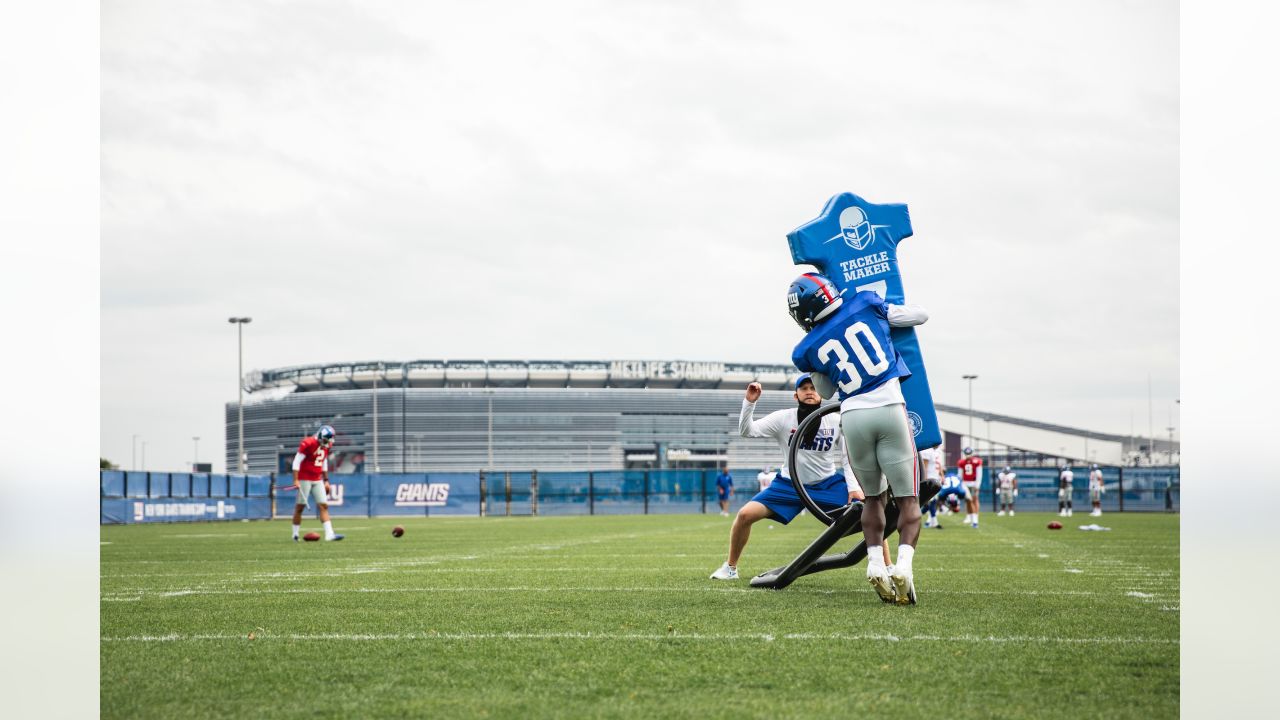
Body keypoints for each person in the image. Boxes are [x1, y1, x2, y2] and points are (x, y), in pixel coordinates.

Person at [788, 272, 929, 605]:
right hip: (890, 407)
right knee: (909, 500)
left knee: (872, 500)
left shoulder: (805, 348)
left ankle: (876, 564)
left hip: (852, 416)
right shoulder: (865, 302)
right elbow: (919, 315)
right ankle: (904, 567)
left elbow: (824, 390)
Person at [710, 374, 869, 581]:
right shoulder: (784, 418)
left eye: (813, 387)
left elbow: (847, 458)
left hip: (826, 484)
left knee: (868, 514)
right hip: (789, 484)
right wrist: (749, 402)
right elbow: (747, 431)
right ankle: (730, 568)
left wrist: (853, 487)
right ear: (796, 395)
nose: (810, 391)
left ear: (822, 394)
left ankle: (886, 566)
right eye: (804, 388)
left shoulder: (835, 419)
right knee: (744, 515)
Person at [291, 425, 344, 542]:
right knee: (300, 508)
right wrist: (296, 480)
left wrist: (326, 480)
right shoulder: (308, 443)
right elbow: (296, 461)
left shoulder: (327, 444)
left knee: (323, 505)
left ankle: (329, 534)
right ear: (320, 436)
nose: (328, 442)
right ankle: (295, 535)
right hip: (304, 478)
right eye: (326, 440)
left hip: (317, 478)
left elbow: (323, 461)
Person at [957, 447, 983, 528]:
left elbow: (979, 474)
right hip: (965, 484)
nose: (968, 455)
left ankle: (975, 519)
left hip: (973, 483)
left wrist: (977, 485)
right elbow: (960, 475)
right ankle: (971, 517)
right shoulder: (962, 462)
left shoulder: (977, 461)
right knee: (968, 501)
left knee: (974, 500)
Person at [918, 446, 944, 528]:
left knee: (932, 502)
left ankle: (930, 521)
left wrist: (942, 475)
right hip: (930, 480)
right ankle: (934, 522)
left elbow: (939, 465)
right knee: (930, 502)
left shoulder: (937, 451)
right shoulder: (927, 451)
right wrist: (924, 480)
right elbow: (924, 467)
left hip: (936, 479)